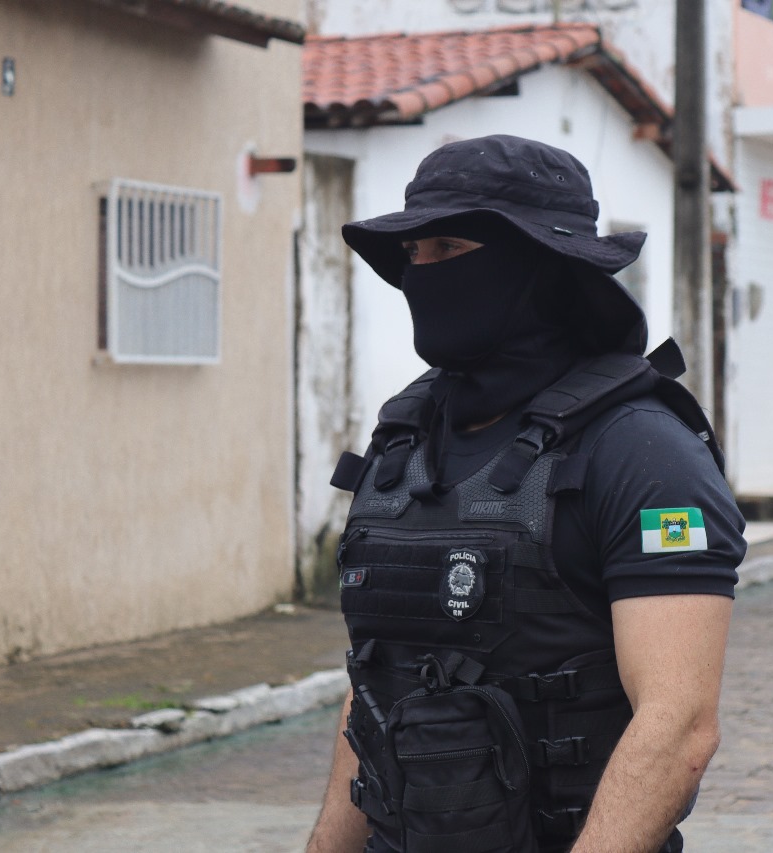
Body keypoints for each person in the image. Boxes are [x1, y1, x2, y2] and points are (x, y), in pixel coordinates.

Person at [307, 134, 745, 853]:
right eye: (414, 252)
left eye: (449, 248)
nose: (423, 272)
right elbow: (375, 688)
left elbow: (679, 728)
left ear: (537, 265)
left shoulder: (643, 452)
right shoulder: (403, 444)